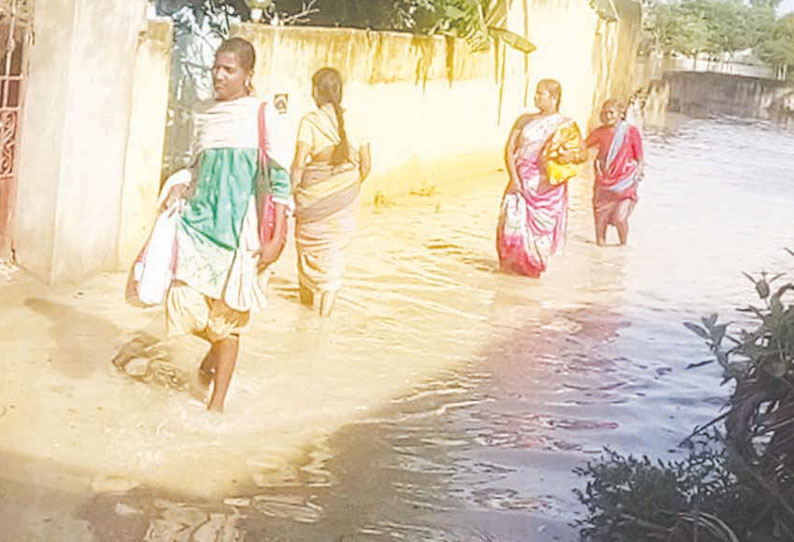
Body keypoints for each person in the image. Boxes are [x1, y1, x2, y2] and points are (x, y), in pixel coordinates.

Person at [160, 37, 291, 412]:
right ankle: (215, 355)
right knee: (183, 302)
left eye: (228, 69)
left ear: (248, 75)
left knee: (227, 319)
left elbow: (279, 183)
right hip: (198, 226)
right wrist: (179, 187)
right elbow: (195, 166)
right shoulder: (206, 115)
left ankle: (215, 407)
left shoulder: (263, 117)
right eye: (216, 68)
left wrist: (277, 237)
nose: (219, 75)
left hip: (239, 234)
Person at [290, 67, 371, 316]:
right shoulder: (357, 121)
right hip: (346, 202)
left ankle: (305, 310)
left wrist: (294, 194)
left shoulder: (310, 121)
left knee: (307, 249)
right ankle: (322, 321)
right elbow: (366, 166)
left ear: (315, 91)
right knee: (335, 253)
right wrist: (344, 189)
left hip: (312, 203)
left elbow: (299, 164)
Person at [496, 79, 587, 277]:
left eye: (541, 93)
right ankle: (505, 279)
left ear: (554, 98)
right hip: (521, 181)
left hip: (548, 189)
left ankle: (530, 280)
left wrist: (569, 157)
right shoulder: (524, 120)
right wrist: (514, 178)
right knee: (509, 228)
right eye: (536, 93)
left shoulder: (565, 125)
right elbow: (510, 149)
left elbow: (583, 154)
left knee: (540, 237)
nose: (536, 97)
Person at [585, 98, 644, 246]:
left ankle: (623, 247)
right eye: (604, 113)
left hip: (625, 183)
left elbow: (640, 158)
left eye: (611, 113)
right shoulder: (600, 133)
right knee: (600, 220)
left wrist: (637, 175)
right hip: (603, 182)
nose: (607, 116)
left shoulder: (631, 132)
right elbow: (582, 146)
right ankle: (599, 257)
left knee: (619, 218)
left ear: (621, 114)